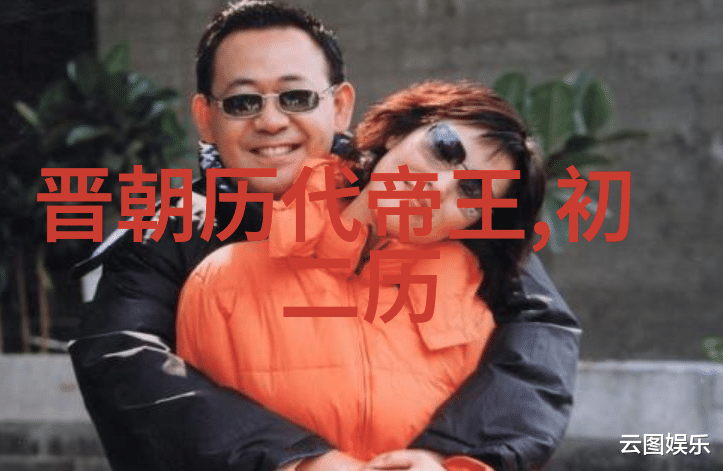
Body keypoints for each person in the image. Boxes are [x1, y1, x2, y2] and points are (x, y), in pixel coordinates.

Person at [68, 2, 580, 471]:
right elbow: (122, 358)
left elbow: (538, 333)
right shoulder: (171, 231)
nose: (271, 121)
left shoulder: (432, 218)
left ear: (339, 106)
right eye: (243, 102)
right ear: (205, 117)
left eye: (296, 97)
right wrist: (293, 459)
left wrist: (449, 456)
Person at [176, 80, 546, 471]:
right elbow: (191, 440)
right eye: (442, 149)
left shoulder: (474, 326)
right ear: (399, 132)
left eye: (471, 193)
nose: (437, 186)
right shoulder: (224, 280)